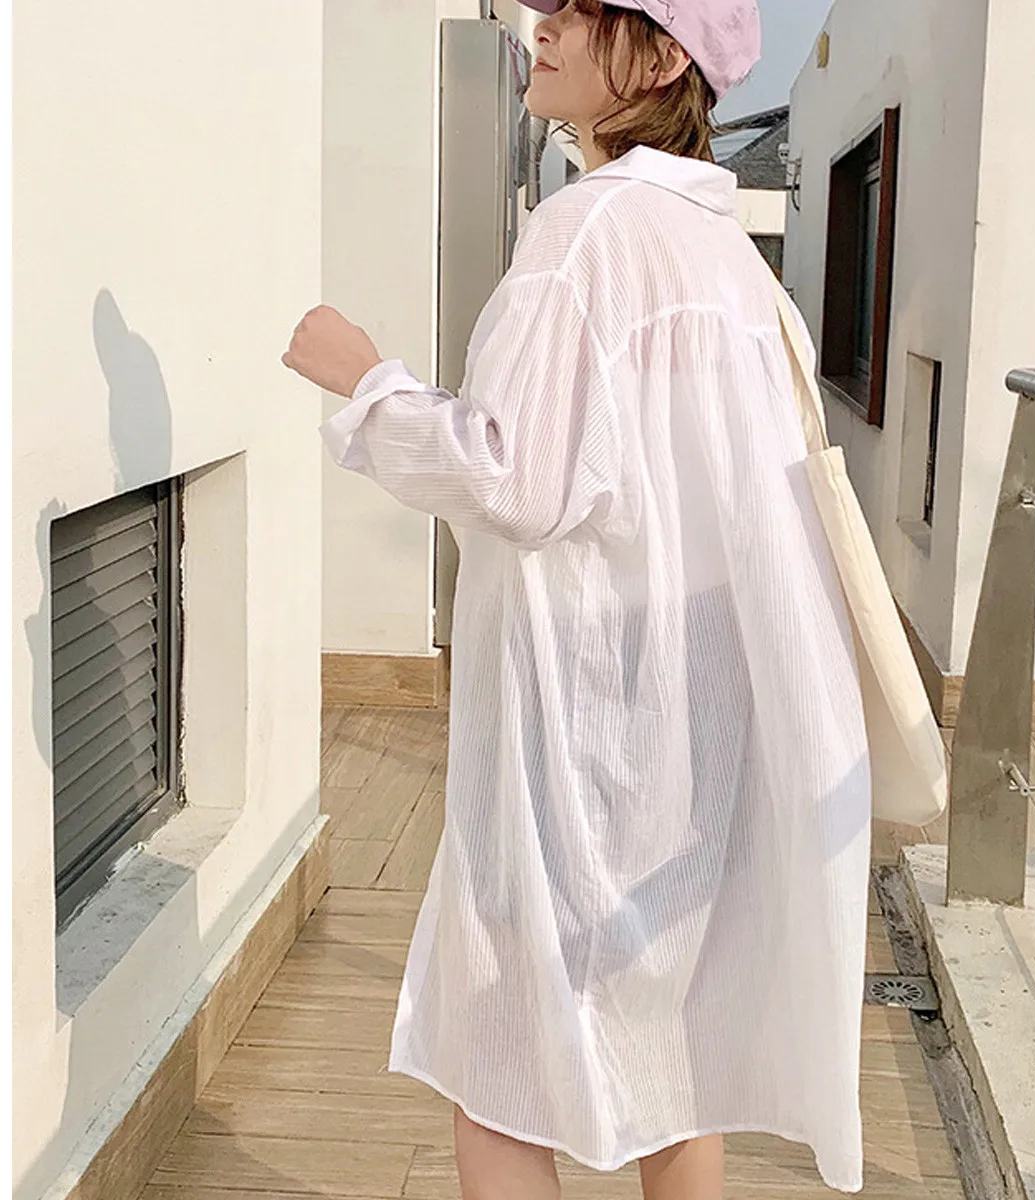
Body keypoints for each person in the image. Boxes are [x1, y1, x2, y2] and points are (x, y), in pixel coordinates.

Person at [282, 1, 871, 1196]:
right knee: (670, 1047)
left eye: (583, 11)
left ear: (661, 56)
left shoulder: (587, 228)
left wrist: (368, 379)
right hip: (705, 703)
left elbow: (517, 479)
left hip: (581, 705)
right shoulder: (730, 257)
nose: (544, 26)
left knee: (497, 1051)